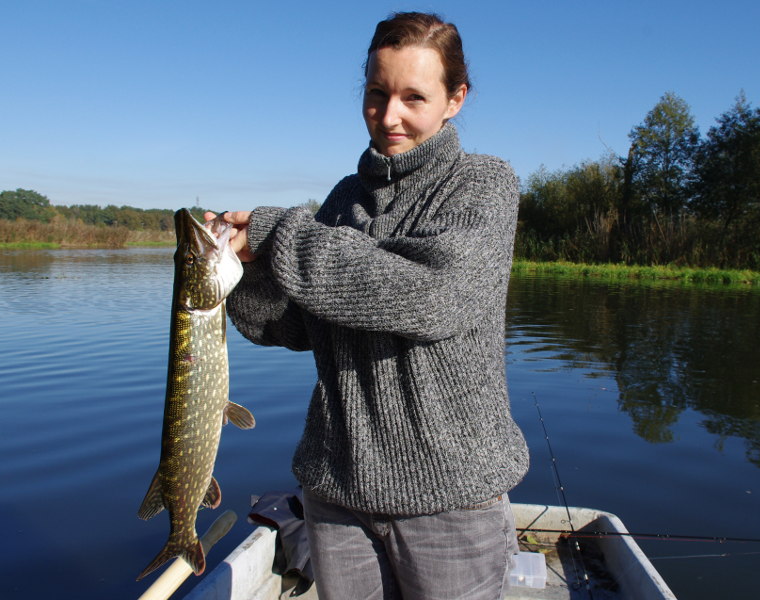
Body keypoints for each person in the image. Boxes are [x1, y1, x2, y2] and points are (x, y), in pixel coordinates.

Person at [211, 12, 529, 600]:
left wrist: (284, 235)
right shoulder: (341, 201)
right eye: (377, 94)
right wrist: (243, 272)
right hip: (337, 494)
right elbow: (291, 326)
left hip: (451, 500)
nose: (389, 117)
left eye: (414, 97)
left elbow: (434, 296)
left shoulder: (483, 185)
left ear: (456, 98)